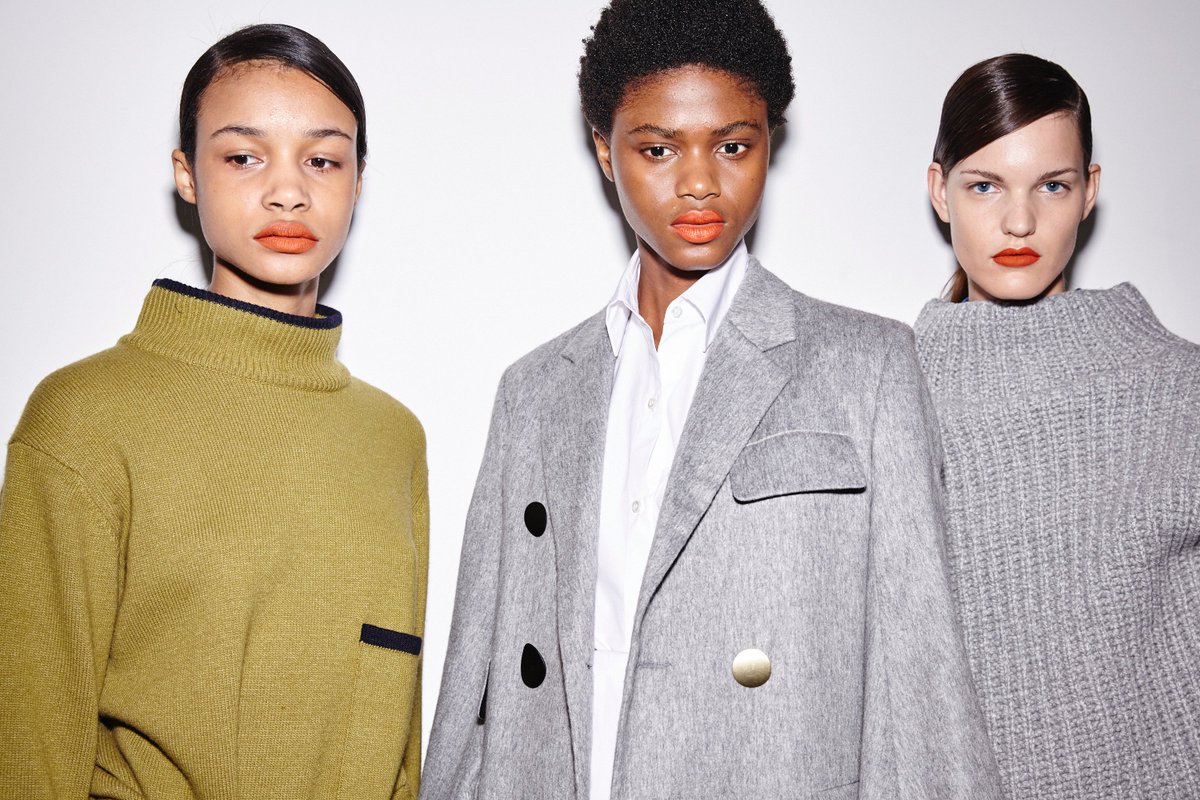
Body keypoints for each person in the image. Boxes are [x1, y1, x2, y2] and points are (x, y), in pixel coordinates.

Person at [421, 1, 999, 797]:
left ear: (770, 143)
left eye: (732, 146)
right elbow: (478, 685)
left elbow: (922, 675)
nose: (698, 182)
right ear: (604, 151)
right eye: (657, 149)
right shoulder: (537, 392)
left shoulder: (866, 367)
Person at [0, 24, 427, 799]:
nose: (288, 191)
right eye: (243, 157)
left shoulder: (391, 438)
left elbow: (397, 751)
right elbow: (29, 741)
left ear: (358, 181)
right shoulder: (82, 419)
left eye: (322, 160)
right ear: (187, 174)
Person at [917, 53, 1200, 799]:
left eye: (1052, 185)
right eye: (985, 185)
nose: (1019, 221)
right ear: (940, 191)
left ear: (1089, 192)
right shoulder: (887, 400)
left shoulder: (1179, 391)